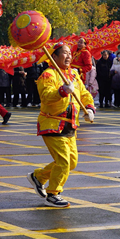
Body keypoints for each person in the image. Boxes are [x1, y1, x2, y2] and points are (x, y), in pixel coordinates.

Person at [27, 42, 96, 208]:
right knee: (64, 161)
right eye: (64, 53)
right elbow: (46, 96)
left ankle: (39, 177)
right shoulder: (48, 75)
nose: (69, 56)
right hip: (53, 123)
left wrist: (90, 107)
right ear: (54, 57)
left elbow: (84, 93)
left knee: (71, 162)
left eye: (69, 53)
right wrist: (62, 91)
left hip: (70, 125)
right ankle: (53, 193)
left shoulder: (73, 74)